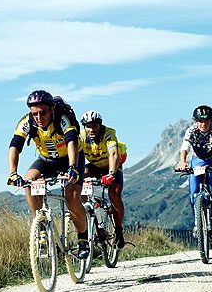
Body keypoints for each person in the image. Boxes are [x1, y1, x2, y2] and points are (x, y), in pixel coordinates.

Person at [7, 90, 90, 259]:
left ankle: (83, 239)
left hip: (71, 158)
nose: (39, 117)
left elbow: (72, 142)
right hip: (47, 160)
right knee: (28, 182)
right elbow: (15, 146)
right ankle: (43, 228)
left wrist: (73, 167)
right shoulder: (27, 122)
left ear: (52, 109)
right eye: (35, 113)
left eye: (43, 112)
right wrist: (13, 173)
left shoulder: (62, 119)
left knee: (72, 198)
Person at [79, 110, 126, 249]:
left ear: (100, 125)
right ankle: (89, 212)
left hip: (111, 166)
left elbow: (114, 153)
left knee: (114, 194)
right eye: (88, 126)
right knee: (77, 183)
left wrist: (111, 173)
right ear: (84, 127)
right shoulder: (81, 137)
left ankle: (118, 231)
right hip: (94, 166)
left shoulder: (108, 133)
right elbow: (75, 156)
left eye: (95, 126)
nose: (92, 129)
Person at [178, 105, 212, 231]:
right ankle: (197, 223)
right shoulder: (191, 131)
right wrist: (183, 162)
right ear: (196, 121)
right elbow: (185, 147)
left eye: (207, 121)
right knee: (193, 190)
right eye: (200, 121)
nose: (203, 124)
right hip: (198, 160)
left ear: (211, 121)